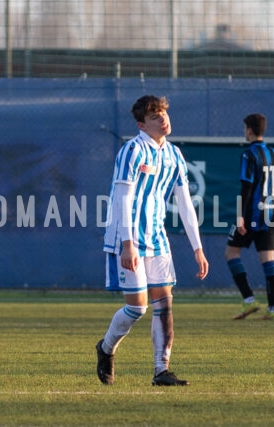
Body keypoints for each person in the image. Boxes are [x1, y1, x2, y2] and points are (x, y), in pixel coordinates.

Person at [96, 95, 209, 386]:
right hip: (128, 237)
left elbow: (185, 204)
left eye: (163, 114)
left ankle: (161, 371)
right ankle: (106, 348)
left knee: (165, 304)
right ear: (141, 125)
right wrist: (127, 243)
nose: (163, 119)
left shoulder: (174, 155)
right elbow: (122, 197)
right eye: (155, 116)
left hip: (157, 239)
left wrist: (198, 248)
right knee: (137, 308)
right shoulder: (132, 151)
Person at [224, 113, 274, 321]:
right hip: (271, 213)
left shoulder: (249, 154)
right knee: (268, 260)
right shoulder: (273, 154)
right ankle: (273, 309)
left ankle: (249, 300)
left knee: (231, 253)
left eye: (244, 129)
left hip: (252, 214)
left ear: (248, 130)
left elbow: (246, 188)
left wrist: (240, 216)